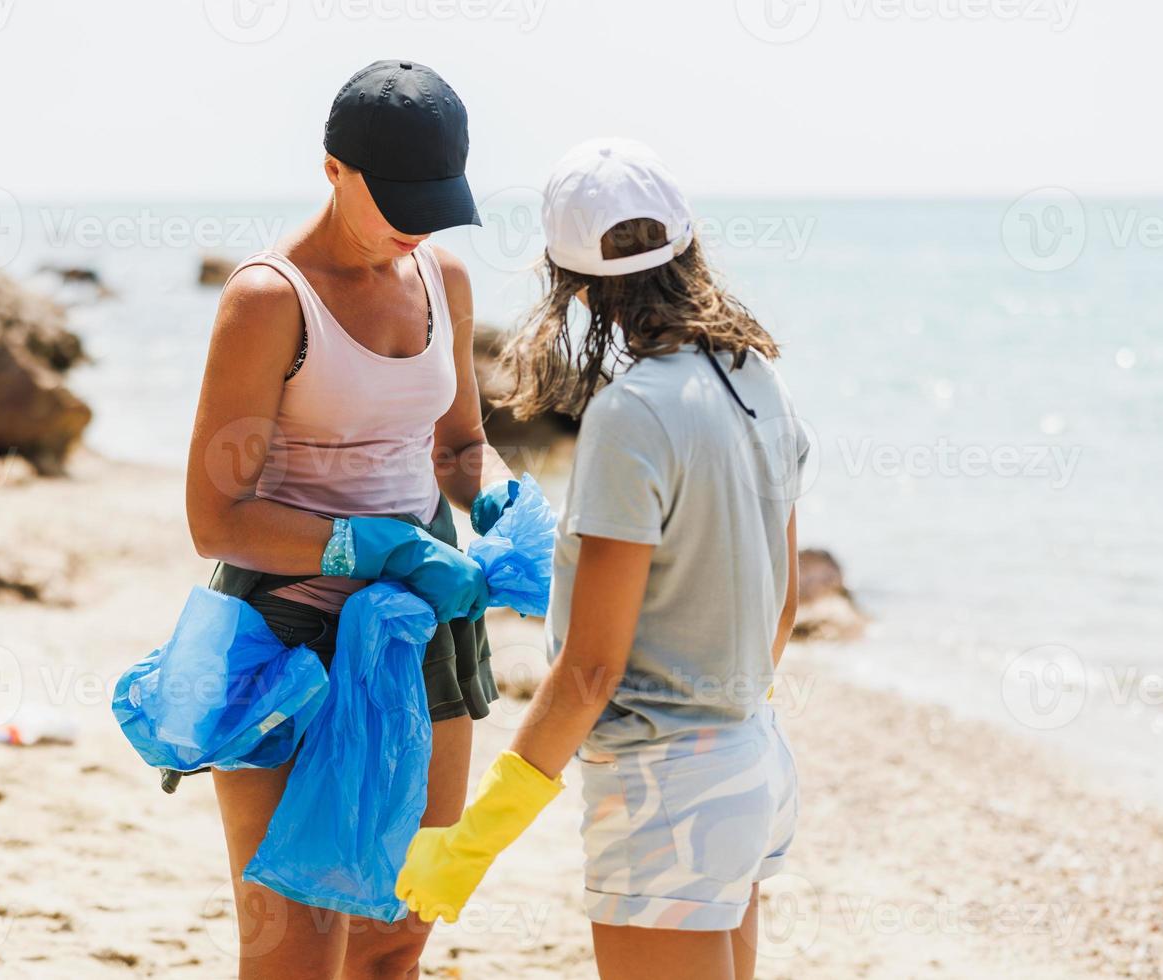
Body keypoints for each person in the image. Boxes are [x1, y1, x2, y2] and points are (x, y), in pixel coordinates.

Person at [395, 138, 808, 980]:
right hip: (754, 760)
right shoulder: (757, 378)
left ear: (570, 282)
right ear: (689, 245)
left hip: (669, 791)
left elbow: (591, 668)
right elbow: (786, 605)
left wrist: (478, 837)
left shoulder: (633, 413)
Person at [184, 60, 519, 980]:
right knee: (293, 948)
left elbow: (458, 445)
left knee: (396, 937)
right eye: (398, 197)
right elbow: (216, 517)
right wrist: (373, 545)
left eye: (436, 197)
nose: (418, 220)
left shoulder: (440, 275)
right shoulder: (268, 298)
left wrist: (501, 502)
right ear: (334, 169)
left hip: (426, 630)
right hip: (285, 630)